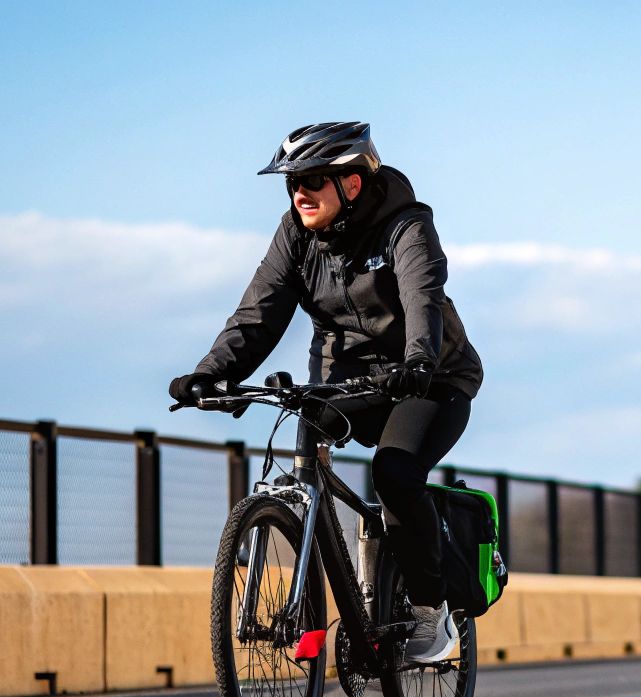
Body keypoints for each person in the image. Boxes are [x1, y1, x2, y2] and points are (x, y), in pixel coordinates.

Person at [168, 122, 483, 664]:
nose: (299, 192)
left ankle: (432, 611)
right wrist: (210, 372)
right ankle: (311, 615)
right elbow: (259, 312)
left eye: (313, 179)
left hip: (429, 378)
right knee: (302, 476)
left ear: (352, 184)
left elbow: (422, 298)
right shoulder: (295, 233)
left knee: (394, 473)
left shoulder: (406, 228)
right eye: (292, 181)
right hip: (341, 380)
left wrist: (418, 361)